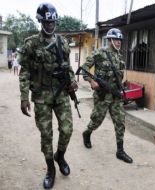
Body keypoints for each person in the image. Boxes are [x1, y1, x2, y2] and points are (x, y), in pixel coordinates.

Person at [19, 3, 77, 189]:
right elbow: (25, 71)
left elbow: (67, 66)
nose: (50, 25)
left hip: (61, 93)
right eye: (47, 21)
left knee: (67, 129)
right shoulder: (31, 43)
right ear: (40, 21)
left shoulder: (63, 42)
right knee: (46, 134)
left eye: (53, 21)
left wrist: (72, 81)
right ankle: (51, 168)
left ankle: (60, 156)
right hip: (41, 95)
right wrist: (24, 97)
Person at [81, 28, 133, 164]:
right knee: (96, 121)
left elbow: (119, 75)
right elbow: (84, 68)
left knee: (120, 122)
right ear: (110, 39)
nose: (118, 42)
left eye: (120, 40)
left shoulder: (119, 57)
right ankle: (87, 133)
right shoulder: (100, 53)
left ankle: (120, 151)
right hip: (102, 95)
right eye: (116, 40)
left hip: (115, 95)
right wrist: (91, 81)